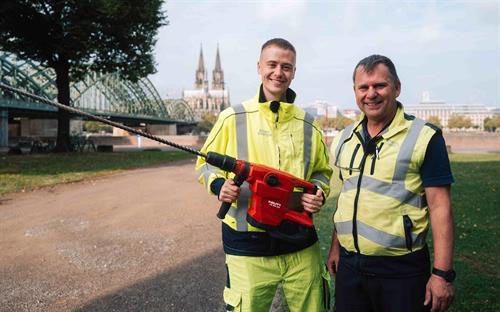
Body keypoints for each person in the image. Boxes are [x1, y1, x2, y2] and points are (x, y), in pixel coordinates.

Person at [196, 38, 333, 311]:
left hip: (300, 245)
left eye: (286, 67)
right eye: (272, 64)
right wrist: (219, 185)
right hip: (247, 245)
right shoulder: (231, 118)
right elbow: (205, 164)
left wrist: (317, 192)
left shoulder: (309, 124)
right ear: (259, 67)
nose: (278, 72)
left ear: (294, 72)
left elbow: (322, 172)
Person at [327, 55, 455, 312]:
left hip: (401, 271)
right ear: (355, 92)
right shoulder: (344, 138)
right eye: (363, 87)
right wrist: (335, 248)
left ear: (397, 88)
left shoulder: (424, 137)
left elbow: (440, 208)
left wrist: (442, 274)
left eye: (380, 86)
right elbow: (347, 199)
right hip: (350, 268)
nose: (371, 94)